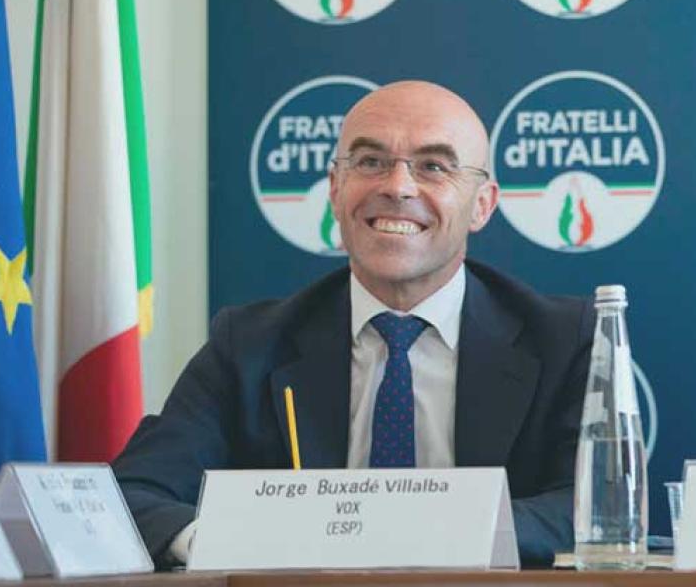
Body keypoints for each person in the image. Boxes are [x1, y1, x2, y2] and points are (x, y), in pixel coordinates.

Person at [111, 81, 593, 567]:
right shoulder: (248, 345)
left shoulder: (567, 340)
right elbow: (136, 494)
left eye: (433, 166)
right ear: (336, 190)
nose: (398, 186)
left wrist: (430, 531)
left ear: (483, 204)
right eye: (370, 162)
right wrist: (224, 543)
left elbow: (594, 505)